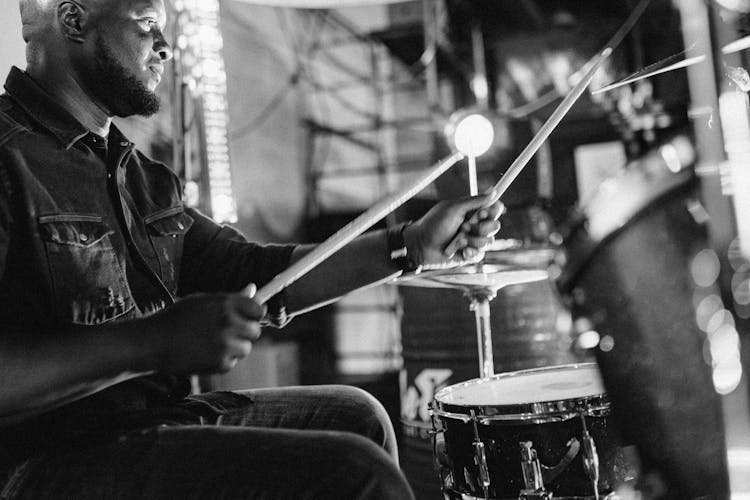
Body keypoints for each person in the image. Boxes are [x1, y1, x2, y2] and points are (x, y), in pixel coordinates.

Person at [0, 0, 503, 498]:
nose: (166, 46)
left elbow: (253, 273)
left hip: (152, 423)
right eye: (148, 23)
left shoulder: (142, 178)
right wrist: (150, 342)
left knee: (357, 417)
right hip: (44, 459)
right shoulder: (8, 158)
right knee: (356, 471)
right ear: (73, 19)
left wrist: (409, 246)